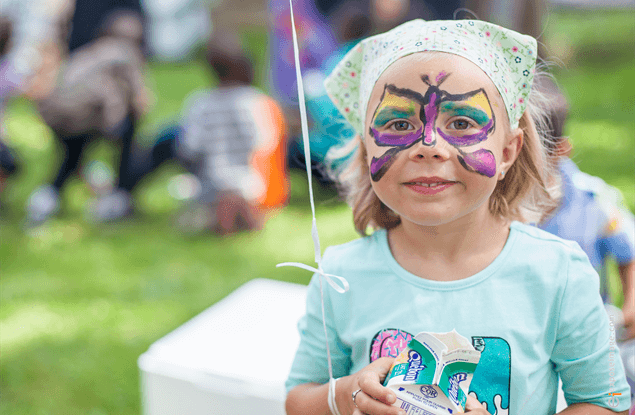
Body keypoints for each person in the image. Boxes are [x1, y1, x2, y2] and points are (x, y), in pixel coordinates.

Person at [285, 19, 631, 415]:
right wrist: (349, 395)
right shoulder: (340, 276)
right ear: (367, 151)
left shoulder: (559, 273)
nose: (429, 146)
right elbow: (299, 399)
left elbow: (607, 404)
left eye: (462, 123)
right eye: (399, 124)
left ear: (507, 152)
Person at [120, 32, 289, 234]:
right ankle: (239, 214)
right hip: (250, 186)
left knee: (188, 215)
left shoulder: (201, 104)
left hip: (211, 186)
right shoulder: (256, 101)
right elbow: (265, 142)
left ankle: (123, 194)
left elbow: (189, 147)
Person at [25, 10, 149, 224]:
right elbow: (141, 99)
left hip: (57, 115)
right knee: (127, 133)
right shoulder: (124, 52)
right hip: (84, 115)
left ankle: (43, 201)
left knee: (71, 158)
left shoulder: (90, 51)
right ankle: (117, 198)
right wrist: (118, 123)